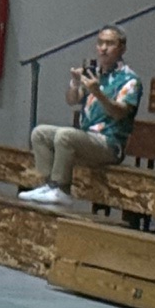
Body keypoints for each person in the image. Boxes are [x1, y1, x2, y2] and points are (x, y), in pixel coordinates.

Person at [20, 26, 142, 208]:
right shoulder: (94, 74)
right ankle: (49, 184)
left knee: (65, 136)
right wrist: (75, 83)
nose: (103, 48)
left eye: (110, 43)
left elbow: (118, 112)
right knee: (40, 133)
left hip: (109, 143)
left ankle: (62, 189)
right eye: (100, 43)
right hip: (87, 138)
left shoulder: (129, 80)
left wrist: (97, 92)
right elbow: (72, 100)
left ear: (122, 49)